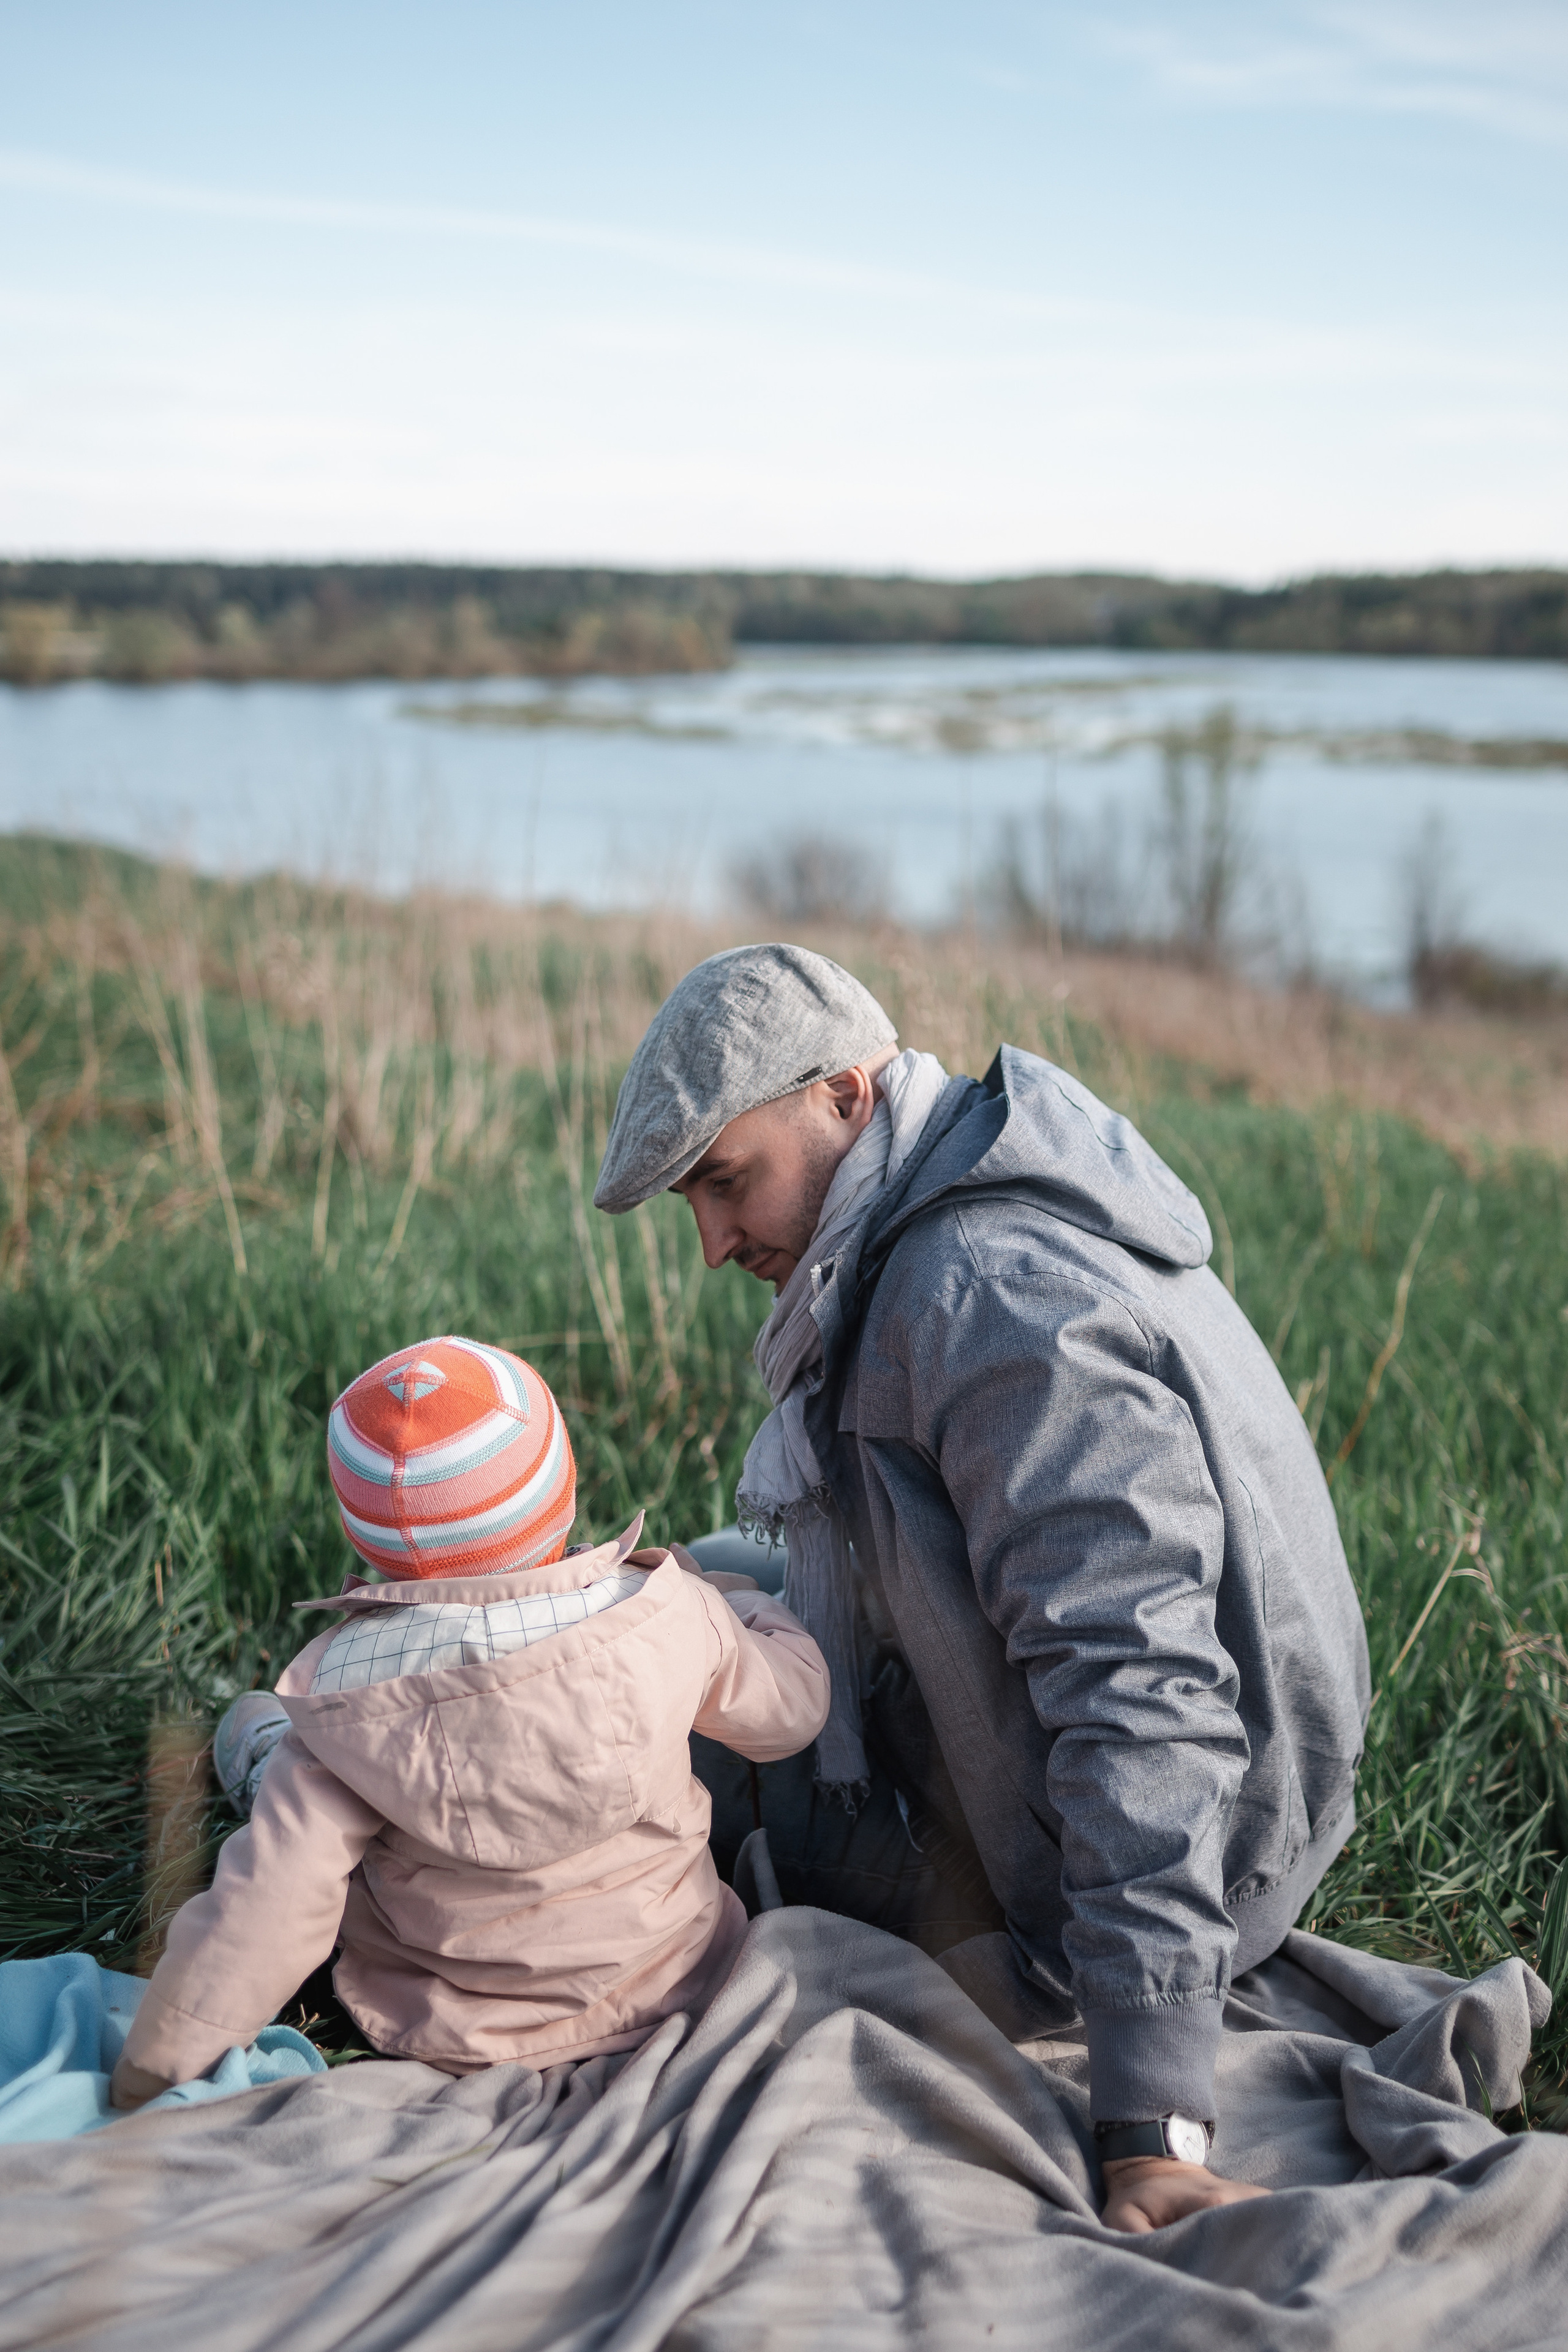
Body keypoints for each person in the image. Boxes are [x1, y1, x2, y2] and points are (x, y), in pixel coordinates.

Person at [593, 944, 1371, 2234]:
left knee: (605, 1711)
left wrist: (1149, 2123)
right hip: (1230, 1809)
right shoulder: (954, 1197)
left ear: (843, 1095)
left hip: (1146, 1878)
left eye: (723, 1183)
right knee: (692, 1600)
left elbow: (1140, 1690)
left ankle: (325, 1758)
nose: (713, 1241)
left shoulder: (983, 1299)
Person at [110, 1334, 828, 2109]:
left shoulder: (347, 1706)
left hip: (455, 2032)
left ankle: (259, 1759)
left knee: (292, 1784)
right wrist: (737, 1605)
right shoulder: (671, 1615)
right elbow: (790, 1716)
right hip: (672, 1976)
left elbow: (267, 1913)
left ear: (364, 1535)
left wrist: (155, 2069)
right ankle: (263, 1755)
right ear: (563, 1488)